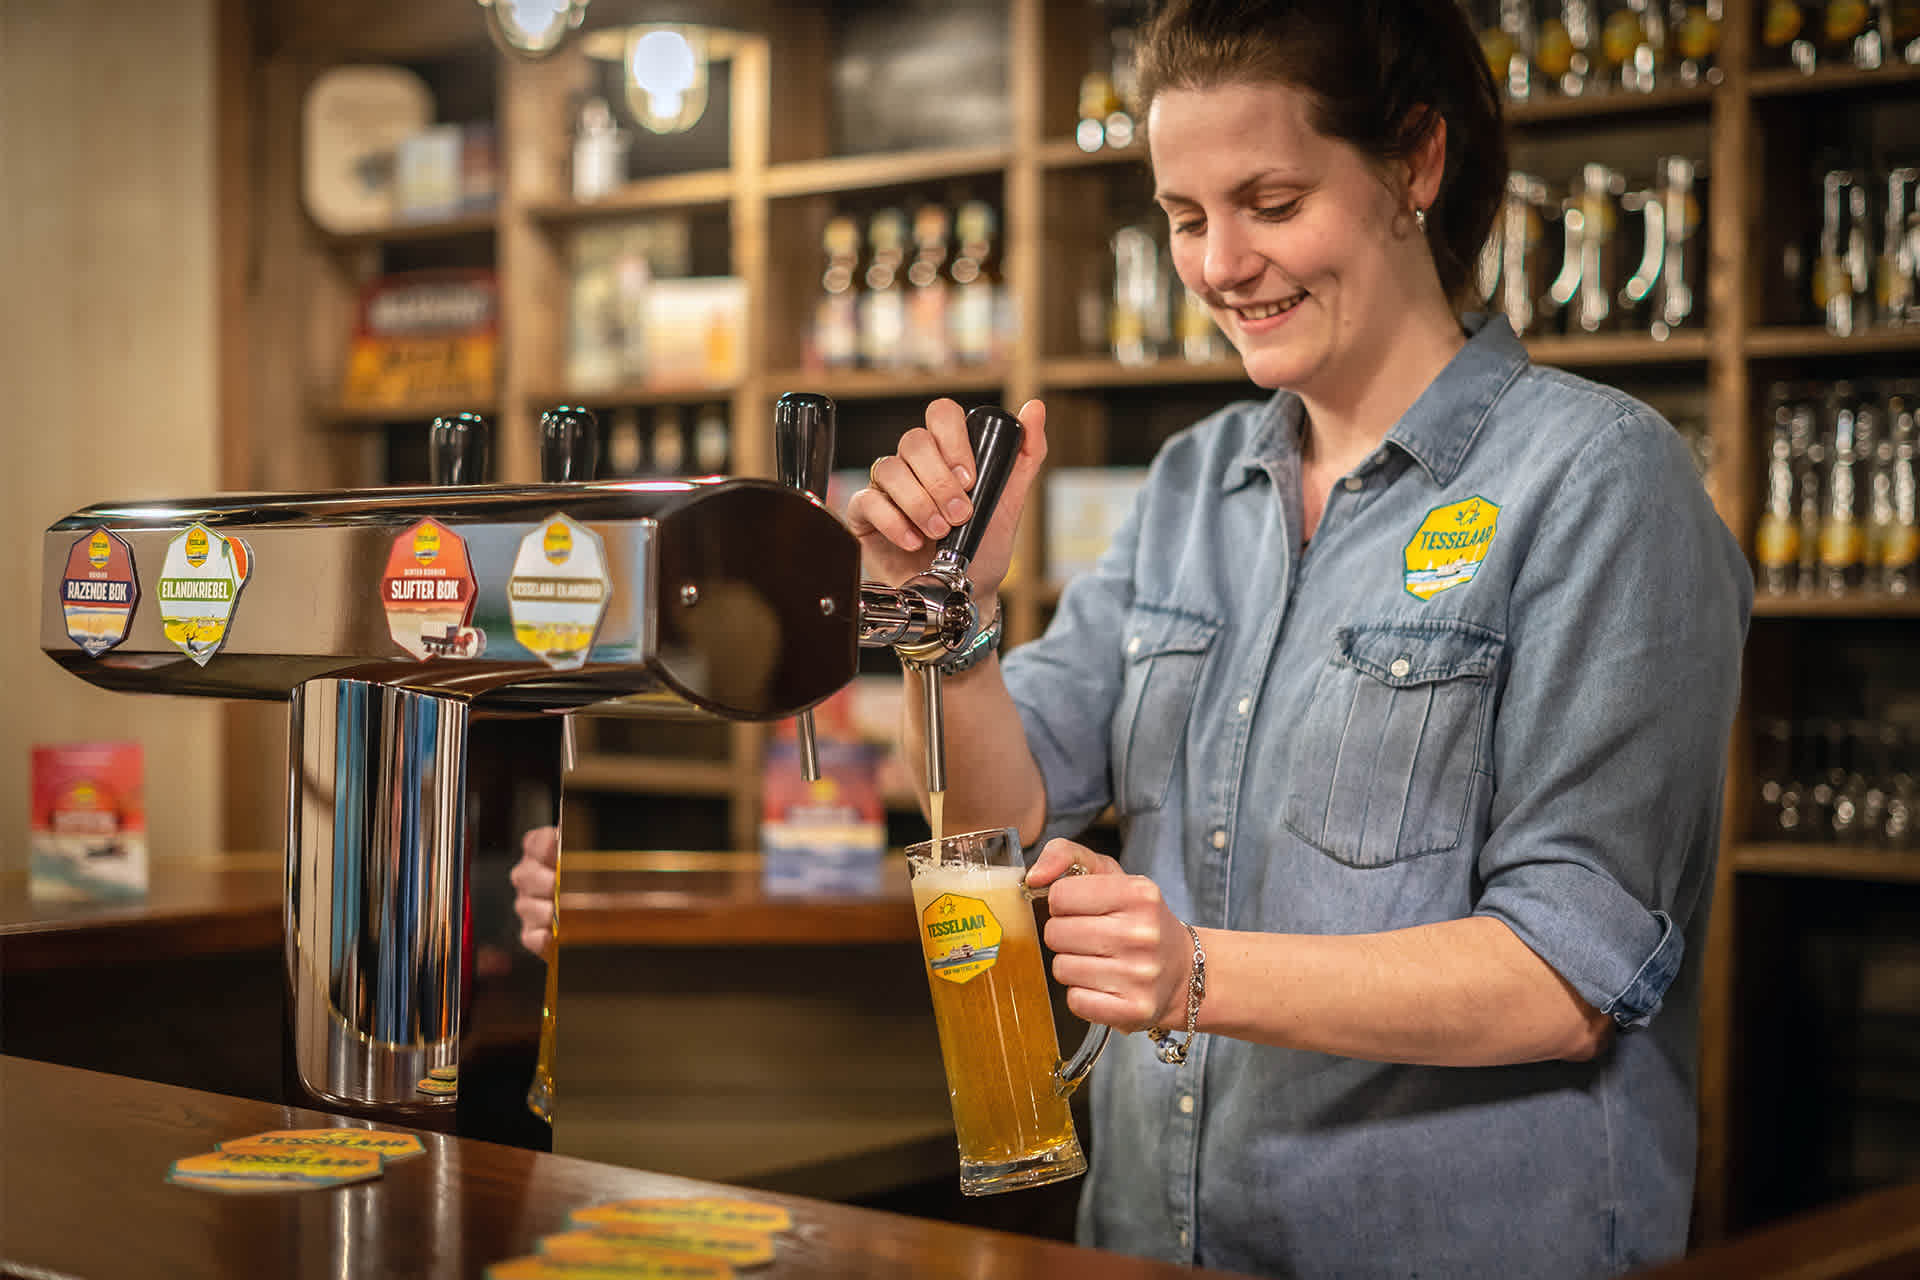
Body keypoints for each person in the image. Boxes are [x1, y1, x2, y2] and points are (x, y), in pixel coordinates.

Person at [515, 0, 1751, 1273]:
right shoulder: (1190, 484)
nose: (1221, 265)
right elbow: (999, 818)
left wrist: (1196, 974)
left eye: (1271, 203)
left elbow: (1563, 978)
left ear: (1414, 164)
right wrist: (952, 622)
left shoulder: (1602, 482)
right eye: (1185, 216)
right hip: (1150, 1241)